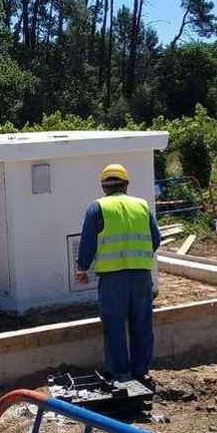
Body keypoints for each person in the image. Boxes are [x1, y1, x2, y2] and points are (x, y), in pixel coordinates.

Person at [74, 163, 161, 382]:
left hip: (113, 278)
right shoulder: (142, 206)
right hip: (141, 276)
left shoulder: (97, 208)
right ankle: (140, 373)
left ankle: (120, 373)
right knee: (141, 324)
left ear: (103, 186)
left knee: (114, 325)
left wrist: (82, 268)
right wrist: (138, 257)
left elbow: (87, 243)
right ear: (127, 184)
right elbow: (156, 239)